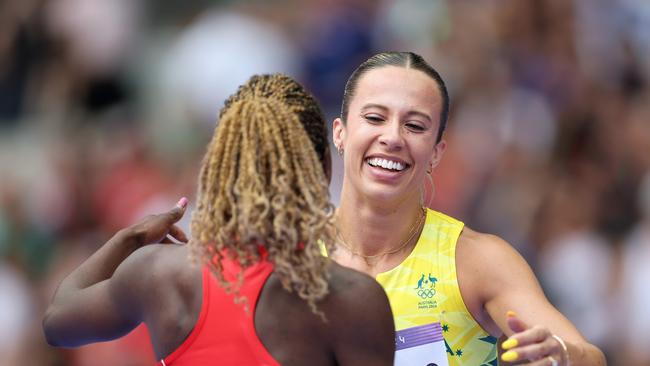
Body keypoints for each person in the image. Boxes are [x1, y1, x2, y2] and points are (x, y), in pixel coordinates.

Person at [43, 74, 395, 366]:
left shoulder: (156, 273)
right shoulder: (352, 299)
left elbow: (57, 321)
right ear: (323, 169)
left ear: (220, 170)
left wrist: (131, 238)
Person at [329, 52, 606, 365]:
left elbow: (589, 357)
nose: (392, 137)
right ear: (340, 133)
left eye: (415, 126)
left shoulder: (476, 262)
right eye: (375, 118)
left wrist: (561, 356)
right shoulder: (290, 258)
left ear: (436, 152)